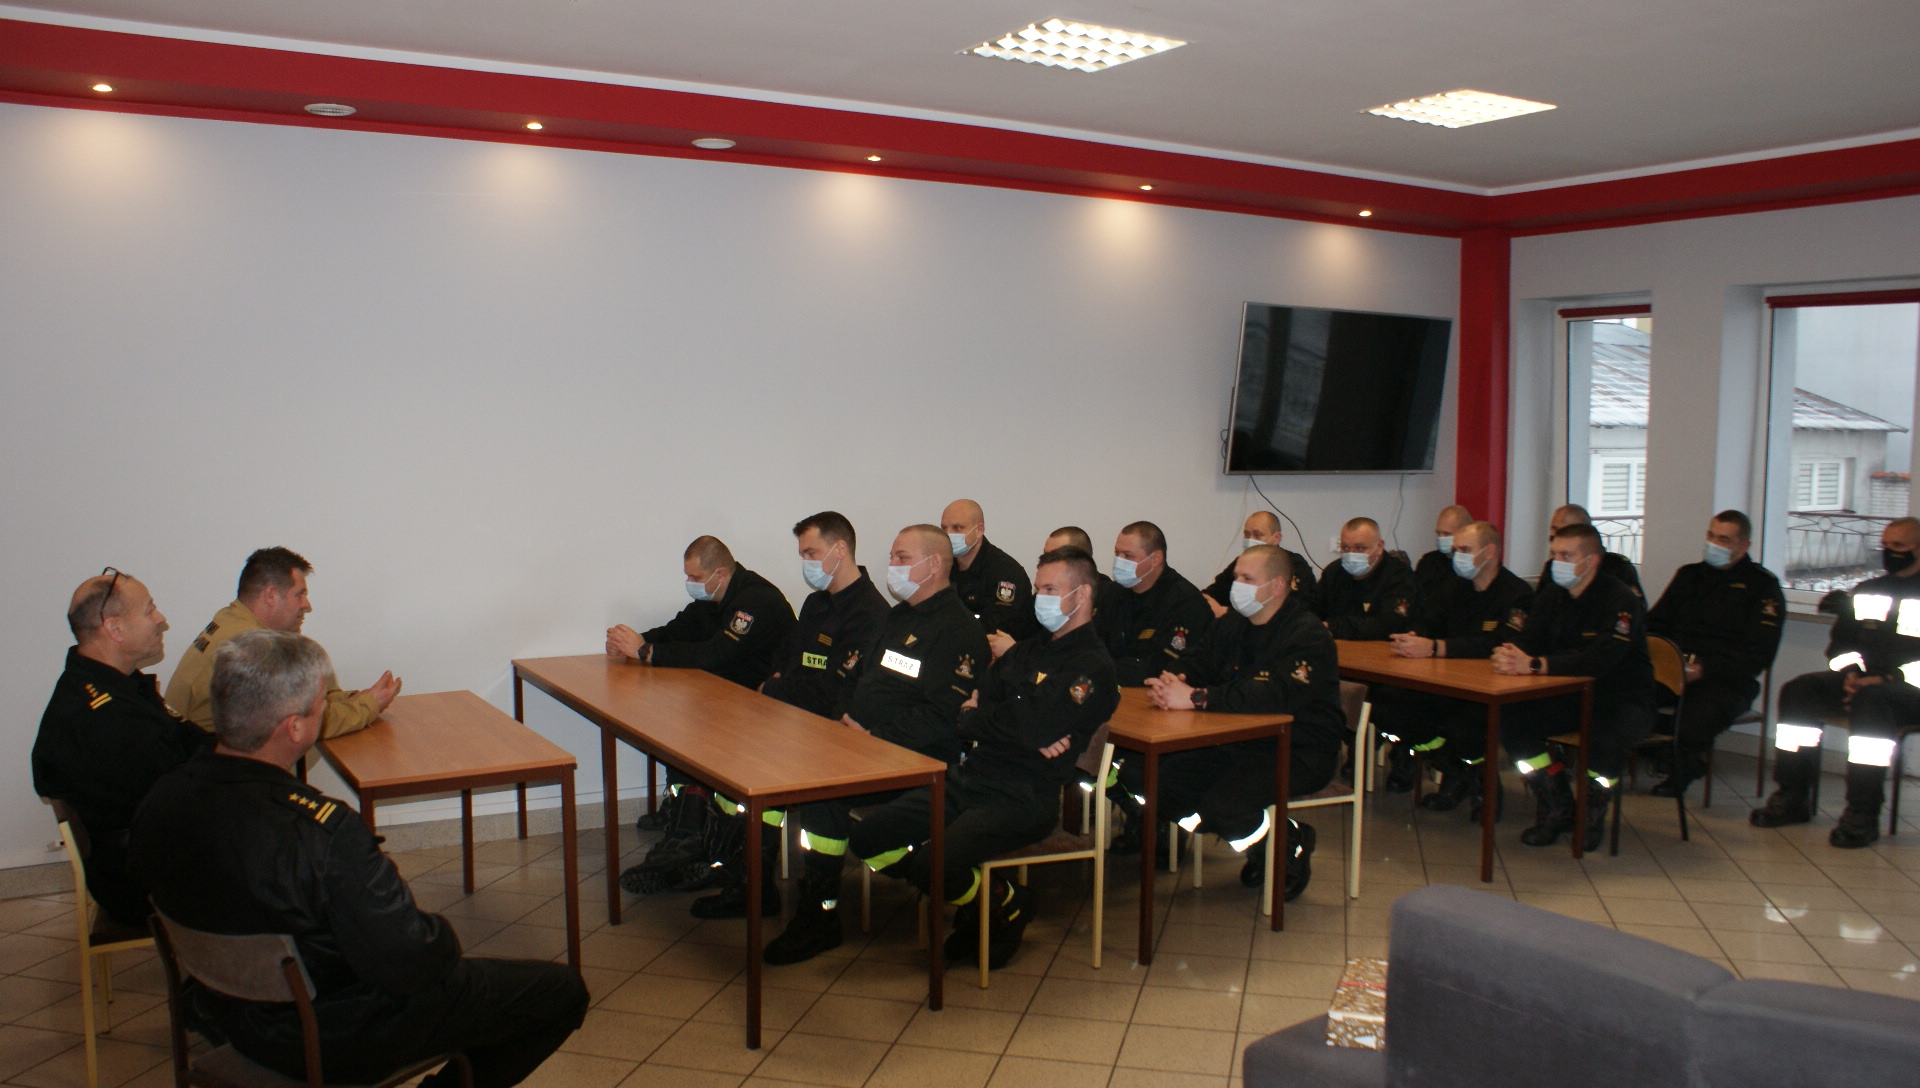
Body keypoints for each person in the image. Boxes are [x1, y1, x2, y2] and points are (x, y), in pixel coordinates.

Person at [131, 630, 587, 1088]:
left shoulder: (162, 799)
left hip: (221, 1014)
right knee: (559, 993)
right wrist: (444, 937)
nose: (325, 710)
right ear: (295, 728)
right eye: (321, 704)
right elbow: (410, 959)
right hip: (326, 1034)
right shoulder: (323, 833)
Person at [847, 547, 1119, 969]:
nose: (1040, 598)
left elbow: (1026, 725)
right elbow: (975, 709)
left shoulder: (1092, 666)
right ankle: (994, 900)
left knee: (932, 865)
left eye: (1051, 589)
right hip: (972, 776)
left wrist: (991, 718)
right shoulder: (1027, 651)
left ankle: (996, 906)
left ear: (1082, 595)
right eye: (1039, 588)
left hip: (1024, 795)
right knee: (868, 838)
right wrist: (999, 719)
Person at [763, 525, 989, 965]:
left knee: (823, 795)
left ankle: (821, 915)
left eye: (903, 558)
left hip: (916, 760)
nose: (892, 566)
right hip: (862, 747)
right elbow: (854, 677)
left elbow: (941, 716)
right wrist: (844, 722)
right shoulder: (896, 617)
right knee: (786, 769)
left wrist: (874, 739)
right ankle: (758, 884)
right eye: (892, 557)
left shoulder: (959, 631)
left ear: (934, 565)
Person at [688, 511, 890, 920]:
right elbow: (786, 658)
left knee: (764, 774)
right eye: (802, 554)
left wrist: (776, 688)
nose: (806, 563)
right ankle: (747, 882)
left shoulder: (869, 613)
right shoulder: (816, 603)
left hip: (834, 737)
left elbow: (834, 690)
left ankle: (801, 904)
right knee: (731, 764)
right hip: (793, 724)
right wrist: (780, 682)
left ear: (840, 549)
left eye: (811, 553)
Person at [1128, 545, 1346, 901]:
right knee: (1157, 785)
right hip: (1236, 741)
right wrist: (1172, 680)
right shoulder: (1232, 624)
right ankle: (1262, 842)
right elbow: (1197, 660)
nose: (1236, 586)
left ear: (1277, 586)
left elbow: (1274, 696)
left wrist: (1197, 698)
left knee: (1225, 807)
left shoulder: (1306, 634)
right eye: (1236, 577)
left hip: (1298, 748)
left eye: (1247, 578)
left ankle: (1286, 845)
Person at [607, 536, 795, 891]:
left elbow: (714, 655)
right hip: (727, 700)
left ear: (720, 573)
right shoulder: (711, 599)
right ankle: (685, 822)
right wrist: (630, 644)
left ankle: (688, 837)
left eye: (695, 577)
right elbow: (675, 631)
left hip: (766, 710)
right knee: (678, 726)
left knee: (692, 729)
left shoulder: (755, 601)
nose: (690, 583)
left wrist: (646, 652)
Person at [33, 568, 208, 927]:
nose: (160, 619)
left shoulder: (112, 685)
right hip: (143, 880)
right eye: (149, 609)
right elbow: (179, 796)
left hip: (150, 852)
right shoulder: (103, 719)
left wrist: (243, 751)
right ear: (114, 628)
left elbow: (184, 740)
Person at [1752, 517, 1920, 847]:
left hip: (1909, 690)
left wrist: (1887, 678)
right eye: (1885, 546)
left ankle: (1862, 813)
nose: (1890, 552)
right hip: (1864, 684)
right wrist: (1851, 674)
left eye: (1899, 546)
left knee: (1872, 700)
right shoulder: (1869, 590)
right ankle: (1792, 795)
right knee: (1799, 690)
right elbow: (1841, 646)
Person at [1493, 523, 1655, 851]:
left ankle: (1591, 813)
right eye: (1554, 554)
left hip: (1620, 697)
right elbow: (1529, 639)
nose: (1557, 562)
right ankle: (1556, 802)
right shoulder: (1553, 595)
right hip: (1568, 694)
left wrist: (1536, 665)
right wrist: (1510, 654)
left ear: (1591, 561)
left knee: (1605, 740)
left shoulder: (1620, 599)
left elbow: (1600, 659)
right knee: (1511, 718)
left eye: (1566, 555)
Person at [1373, 522, 1534, 809]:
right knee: (1389, 704)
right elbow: (1429, 620)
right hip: (1446, 682)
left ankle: (1483, 783)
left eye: (1465, 549)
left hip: (1490, 689)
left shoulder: (1517, 594)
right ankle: (1453, 769)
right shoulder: (1454, 587)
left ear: (1489, 552)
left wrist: (1436, 647)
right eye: (1456, 549)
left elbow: (1500, 644)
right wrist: (1414, 636)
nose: (1457, 556)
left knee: (1464, 724)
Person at [166, 547, 400, 739]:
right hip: (218, 770)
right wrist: (369, 706)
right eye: (300, 594)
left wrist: (353, 700)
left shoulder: (230, 620)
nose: (307, 605)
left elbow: (296, 702)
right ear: (270, 595)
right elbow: (298, 724)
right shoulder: (255, 648)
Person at [1642, 510, 1785, 798]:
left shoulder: (1762, 586)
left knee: (1694, 722)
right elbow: (1654, 625)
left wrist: (1705, 668)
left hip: (1725, 678)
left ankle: (1681, 766)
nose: (1714, 544)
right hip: (1674, 669)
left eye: (1724, 539)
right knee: (1623, 701)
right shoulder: (1689, 576)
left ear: (1743, 546)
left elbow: (1759, 654)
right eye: (1711, 535)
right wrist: (1663, 659)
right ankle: (1672, 754)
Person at [1103, 521, 1214, 686]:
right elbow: (1094, 644)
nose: (1119, 561)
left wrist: (1101, 670)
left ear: (1155, 559)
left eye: (1128, 556)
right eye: (1117, 554)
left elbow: (1164, 667)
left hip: (1163, 690)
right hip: (1117, 685)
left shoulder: (1184, 601)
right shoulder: (1114, 593)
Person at [1305, 517, 1418, 640]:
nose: (1351, 554)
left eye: (1360, 548)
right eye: (1345, 548)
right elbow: (1311, 609)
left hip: (1382, 647)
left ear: (1379, 547)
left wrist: (1332, 627)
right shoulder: (1334, 572)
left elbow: (1388, 625)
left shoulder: (1399, 576)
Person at [942, 498, 1038, 641]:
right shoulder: (944, 566)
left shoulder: (1006, 572)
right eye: (944, 528)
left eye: (957, 528)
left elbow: (997, 631)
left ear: (979, 530)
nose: (948, 534)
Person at [1203, 511, 1317, 618]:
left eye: (1257, 535)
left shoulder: (1293, 565)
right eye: (1247, 535)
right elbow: (1215, 592)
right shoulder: (1241, 562)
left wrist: (1228, 613)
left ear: (1276, 538)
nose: (1250, 540)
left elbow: (1292, 609)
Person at [1537, 504, 1643, 598]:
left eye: (1558, 530)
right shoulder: (1552, 567)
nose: (1552, 534)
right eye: (1552, 529)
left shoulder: (1617, 568)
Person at [1412, 505, 1474, 602]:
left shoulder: (1474, 565)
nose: (1441, 538)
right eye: (1438, 533)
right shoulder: (1428, 562)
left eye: (1447, 534)